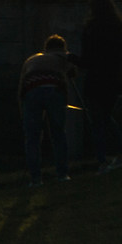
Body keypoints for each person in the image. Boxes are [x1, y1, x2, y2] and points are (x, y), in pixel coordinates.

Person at [74, 0, 122, 173]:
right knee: (107, 118)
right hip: (115, 80)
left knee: (98, 121)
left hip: (97, 80)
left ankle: (102, 160)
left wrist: (70, 58)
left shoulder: (91, 29)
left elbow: (87, 61)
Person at [19, 34, 75, 187]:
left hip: (31, 90)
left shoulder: (32, 59)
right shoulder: (62, 56)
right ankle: (62, 174)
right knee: (58, 133)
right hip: (53, 89)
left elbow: (22, 83)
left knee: (33, 137)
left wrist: (21, 106)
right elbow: (72, 72)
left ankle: (35, 178)